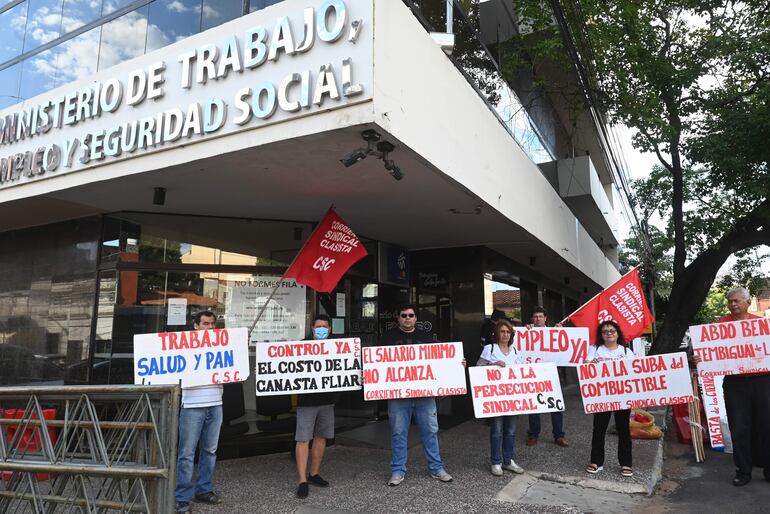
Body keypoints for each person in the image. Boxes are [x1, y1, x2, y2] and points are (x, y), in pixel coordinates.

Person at [380, 304, 454, 486]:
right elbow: (377, 361)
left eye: (410, 315)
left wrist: (456, 363)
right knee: (398, 433)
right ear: (398, 318)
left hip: (424, 395)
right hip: (398, 395)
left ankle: (436, 468)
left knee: (430, 431)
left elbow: (440, 360)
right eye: (403, 315)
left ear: (415, 318)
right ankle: (397, 470)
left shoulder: (426, 337)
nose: (407, 318)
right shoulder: (388, 337)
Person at [717, 286, 769, 486]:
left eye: (737, 301)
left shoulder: (761, 324)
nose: (733, 304)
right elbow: (711, 351)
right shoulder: (720, 325)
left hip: (763, 381)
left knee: (767, 425)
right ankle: (743, 471)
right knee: (739, 427)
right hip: (735, 383)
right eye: (730, 301)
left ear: (748, 302)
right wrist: (700, 357)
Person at [176, 311, 223, 514]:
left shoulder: (222, 344)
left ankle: (204, 490)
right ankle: (182, 498)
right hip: (192, 405)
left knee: (210, 451)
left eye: (212, 324)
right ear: (196, 326)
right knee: (186, 454)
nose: (209, 327)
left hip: (215, 403)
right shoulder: (183, 346)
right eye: (205, 324)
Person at [477, 318, 526, 476]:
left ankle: (508, 460)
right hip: (496, 398)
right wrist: (493, 365)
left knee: (511, 431)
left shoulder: (516, 351)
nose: (505, 334)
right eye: (502, 331)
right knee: (497, 430)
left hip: (513, 397)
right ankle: (496, 462)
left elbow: (523, 371)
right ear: (497, 333)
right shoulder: (490, 349)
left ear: (511, 334)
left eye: (508, 332)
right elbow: (478, 368)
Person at [295, 315, 337, 499]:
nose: (321, 330)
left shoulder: (338, 347)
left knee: (321, 438)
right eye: (318, 327)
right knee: (303, 439)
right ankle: (302, 480)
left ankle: (314, 474)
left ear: (330, 329)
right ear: (312, 329)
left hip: (327, 401)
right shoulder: (301, 346)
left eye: (325, 327)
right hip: (307, 402)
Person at [585, 319, 634, 478]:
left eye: (612, 331)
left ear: (617, 333)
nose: (609, 334)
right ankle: (596, 462)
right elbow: (586, 366)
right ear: (601, 335)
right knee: (598, 429)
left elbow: (636, 371)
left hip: (622, 396)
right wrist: (589, 364)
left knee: (623, 429)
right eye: (605, 331)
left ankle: (626, 463)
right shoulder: (595, 349)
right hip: (601, 396)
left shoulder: (626, 352)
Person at [525, 307, 568, 447]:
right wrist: (524, 331)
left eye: (540, 316)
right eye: (535, 316)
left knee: (555, 406)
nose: (537, 319)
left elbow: (564, 348)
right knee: (534, 407)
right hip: (534, 375)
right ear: (532, 319)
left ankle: (558, 436)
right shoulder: (527, 332)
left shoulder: (553, 332)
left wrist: (559, 332)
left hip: (551, 374)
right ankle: (533, 435)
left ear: (545, 318)